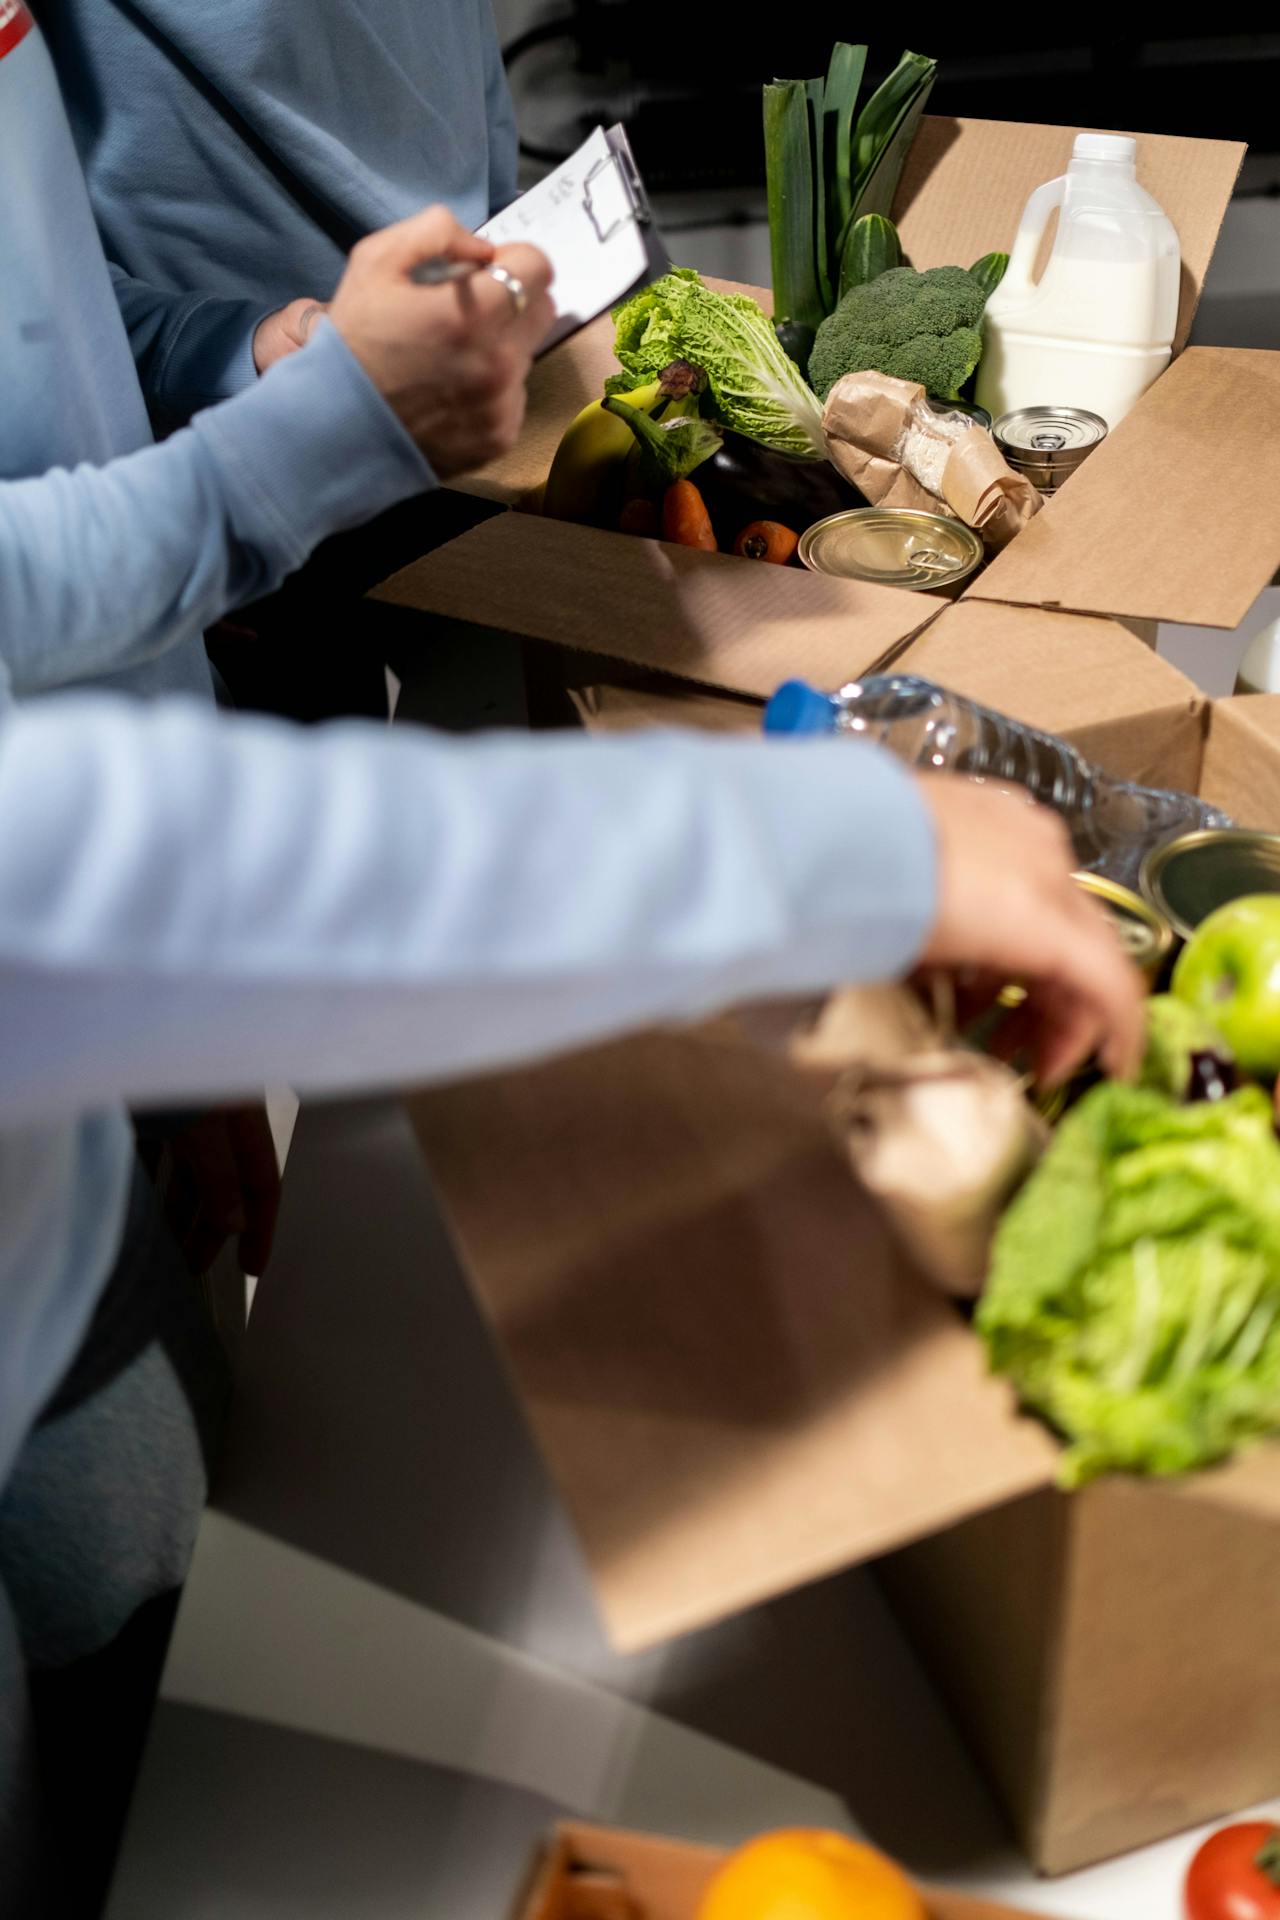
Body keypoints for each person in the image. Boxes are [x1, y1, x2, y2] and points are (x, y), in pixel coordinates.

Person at [1, 6, 1144, 1906]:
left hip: (54, 1176)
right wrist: (823, 851)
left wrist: (239, 360)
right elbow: (75, 859)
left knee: (190, 1699)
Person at [42, 0, 524, 720]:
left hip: (473, 395)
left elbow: (465, 71)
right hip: (226, 447)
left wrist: (512, 227)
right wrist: (235, 348)